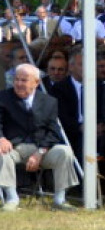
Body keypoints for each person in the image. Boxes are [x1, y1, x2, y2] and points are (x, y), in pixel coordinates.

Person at [0, 64, 79, 211]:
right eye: (16, 79)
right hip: (14, 148)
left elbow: (54, 132)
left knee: (65, 151)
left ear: (36, 83)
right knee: (2, 154)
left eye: (24, 80)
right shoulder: (3, 97)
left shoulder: (49, 101)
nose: (18, 83)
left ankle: (60, 200)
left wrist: (40, 152)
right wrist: (1, 139)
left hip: (41, 148)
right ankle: (11, 199)